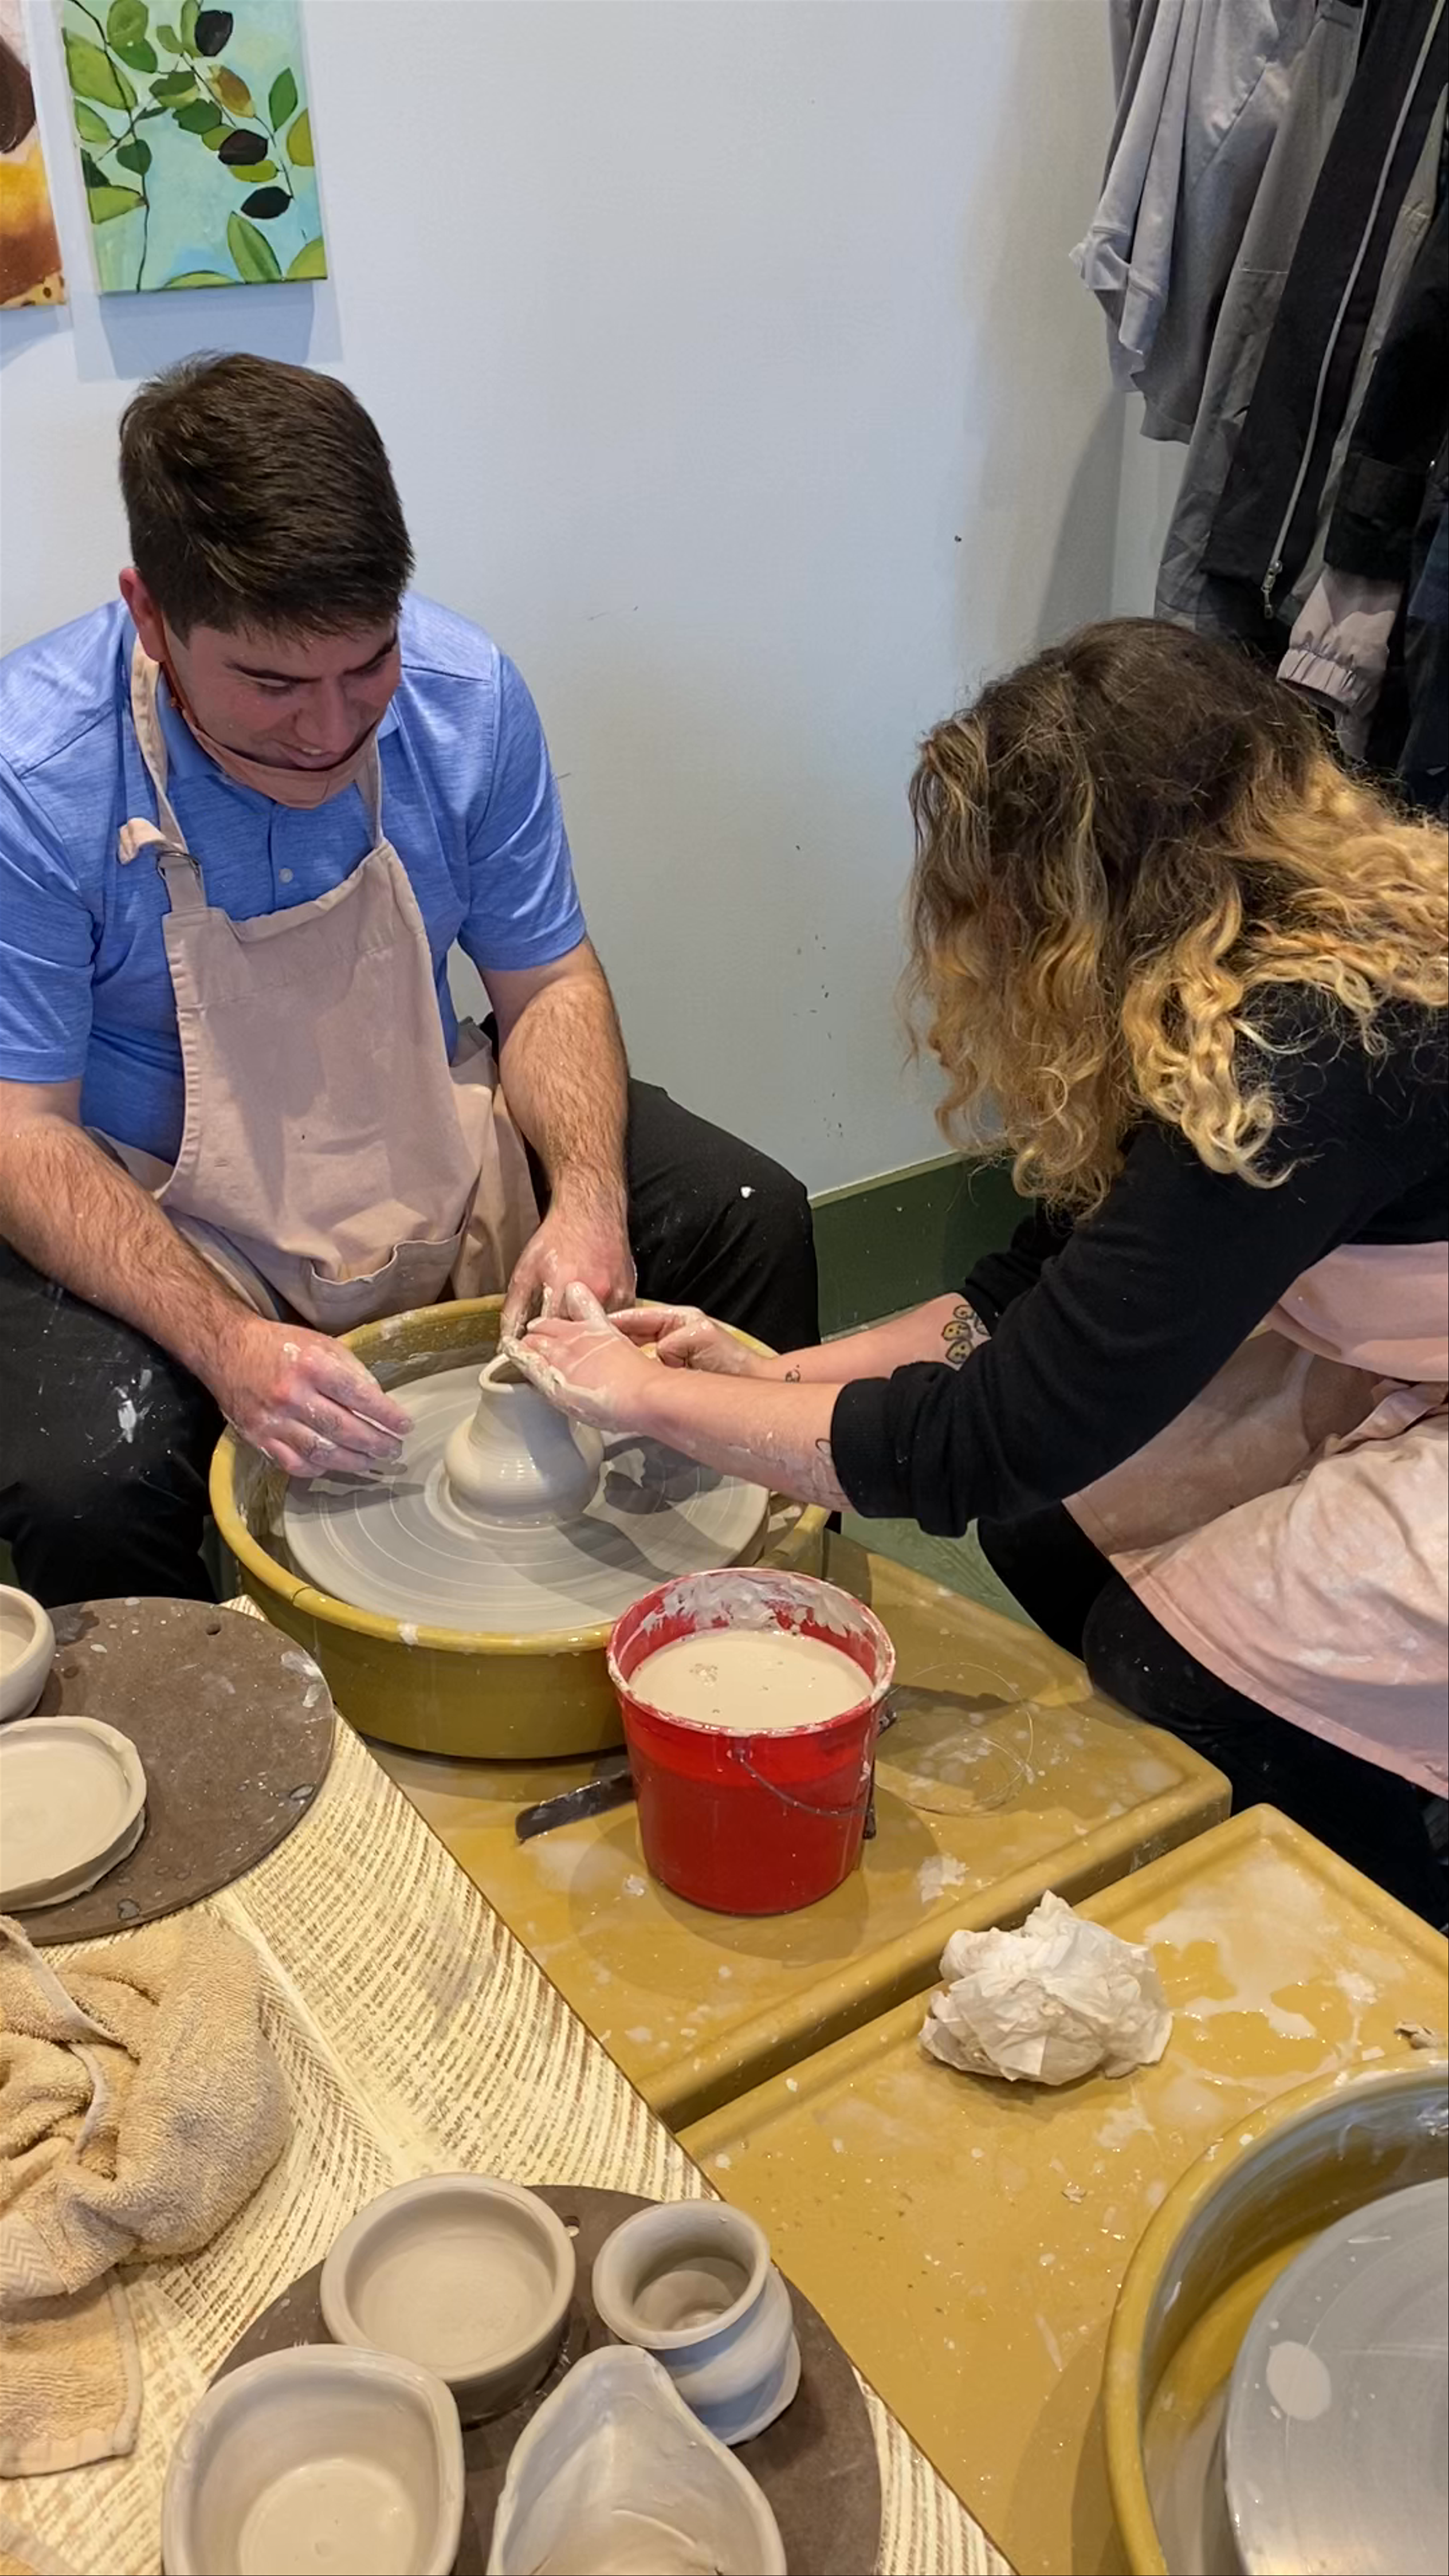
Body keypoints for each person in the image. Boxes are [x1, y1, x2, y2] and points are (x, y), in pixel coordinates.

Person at [516, 621, 1448, 1923]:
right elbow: (1023, 1306)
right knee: (1062, 1525)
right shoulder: (1223, 965)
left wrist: (652, 1404)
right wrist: (768, 1374)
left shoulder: (1297, 1058)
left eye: (990, 901)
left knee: (1174, 1665)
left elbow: (994, 1437)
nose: (979, 938)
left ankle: (1399, 1918)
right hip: (1402, 1344)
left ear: (1078, 893)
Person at [0, 354, 817, 1606]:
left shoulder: (462, 696)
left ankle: (741, 1628)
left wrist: (590, 1195)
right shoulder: (35, 771)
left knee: (742, 1211)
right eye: (271, 685)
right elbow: (23, 1135)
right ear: (150, 619)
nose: (329, 730)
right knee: (89, 1474)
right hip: (161, 1201)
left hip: (415, 1124)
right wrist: (223, 1344)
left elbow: (549, 986)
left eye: (363, 666)